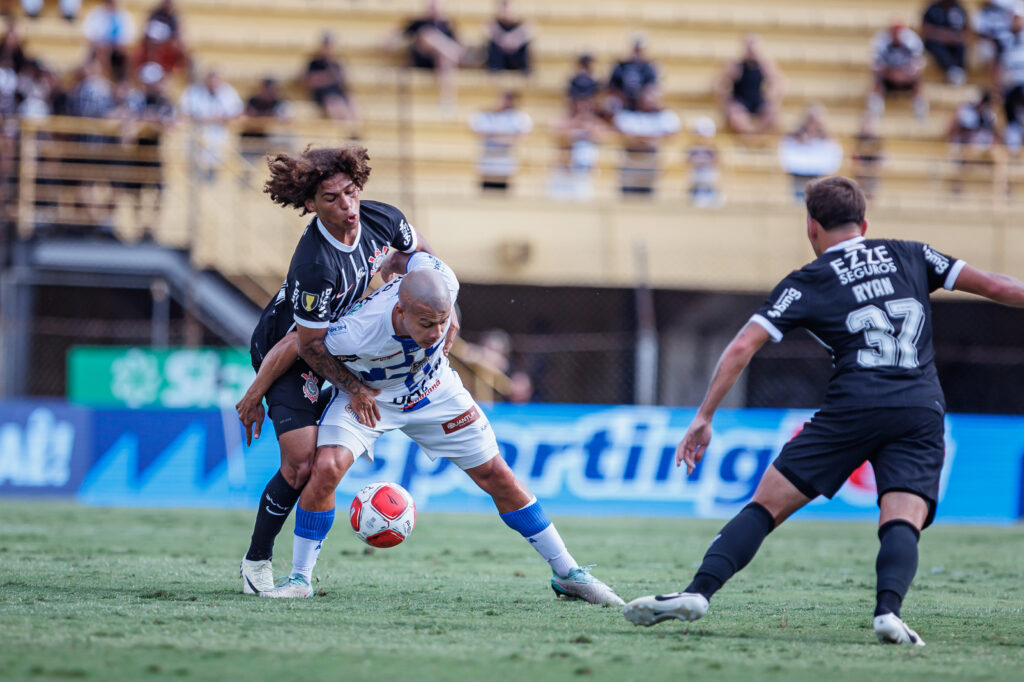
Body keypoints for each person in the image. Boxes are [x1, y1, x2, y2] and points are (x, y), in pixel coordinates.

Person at [622, 176, 1024, 645]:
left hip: (853, 408)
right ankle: (888, 613)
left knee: (765, 507)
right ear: (864, 223)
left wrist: (704, 417)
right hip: (919, 408)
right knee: (901, 519)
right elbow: (997, 285)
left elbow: (741, 347)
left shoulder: (807, 281)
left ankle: (698, 592)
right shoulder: (911, 254)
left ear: (811, 227)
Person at [258, 251, 624, 606]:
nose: (436, 333)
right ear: (400, 312)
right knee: (326, 468)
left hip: (434, 391)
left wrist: (402, 268)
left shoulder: (444, 279)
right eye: (426, 324)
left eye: (442, 321)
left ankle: (568, 573)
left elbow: (413, 248)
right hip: (369, 397)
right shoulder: (356, 331)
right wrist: (264, 395)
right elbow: (300, 344)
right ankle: (300, 580)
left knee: (498, 475)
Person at [236, 145, 445, 595]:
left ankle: (299, 568)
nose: (347, 206)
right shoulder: (314, 264)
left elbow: (422, 256)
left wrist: (433, 296)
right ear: (311, 204)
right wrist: (257, 395)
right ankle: (257, 560)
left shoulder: (383, 219)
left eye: (351, 192)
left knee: (319, 464)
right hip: (287, 354)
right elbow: (303, 345)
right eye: (331, 198)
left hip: (337, 346)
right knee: (299, 464)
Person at [387, 0, 463, 111]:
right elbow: (390, 41)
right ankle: (446, 50)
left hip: (440, 63)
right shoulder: (418, 23)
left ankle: (446, 97)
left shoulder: (447, 25)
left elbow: (459, 45)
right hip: (422, 58)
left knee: (445, 59)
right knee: (428, 35)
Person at [177, 68, 243, 183]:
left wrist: (215, 119)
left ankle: (212, 182)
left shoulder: (228, 92)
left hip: (219, 133)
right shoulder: (193, 91)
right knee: (194, 160)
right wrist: (207, 119)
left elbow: (237, 112)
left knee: (216, 161)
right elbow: (184, 112)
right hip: (197, 131)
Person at [612, 84, 679, 195]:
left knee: (650, 195)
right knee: (628, 196)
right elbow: (625, 135)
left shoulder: (667, 116)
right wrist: (653, 138)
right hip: (631, 160)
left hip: (652, 160)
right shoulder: (627, 115)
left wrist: (640, 138)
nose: (650, 101)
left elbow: (671, 136)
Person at [716, 34, 782, 138]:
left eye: (754, 50)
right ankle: (750, 138)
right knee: (735, 117)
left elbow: (779, 83)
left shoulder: (765, 66)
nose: (752, 53)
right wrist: (726, 102)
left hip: (758, 100)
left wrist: (772, 100)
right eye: (750, 50)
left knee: (774, 116)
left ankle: (757, 138)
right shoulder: (736, 66)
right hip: (740, 101)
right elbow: (719, 85)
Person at [468, 89, 532, 191]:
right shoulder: (485, 115)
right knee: (486, 188)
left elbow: (522, 137)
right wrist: (506, 136)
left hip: (506, 159)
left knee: (503, 188)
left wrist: (494, 136)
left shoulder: (519, 117)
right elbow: (477, 132)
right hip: (487, 158)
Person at [777, 104, 843, 201]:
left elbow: (833, 159)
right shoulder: (793, 138)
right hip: (798, 177)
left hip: (818, 176)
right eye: (811, 121)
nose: (813, 126)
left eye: (816, 123)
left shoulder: (828, 141)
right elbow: (785, 157)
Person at [947, 91, 1006, 196]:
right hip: (967, 145)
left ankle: (1000, 190)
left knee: (999, 155)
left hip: (985, 146)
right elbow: (954, 131)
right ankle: (958, 184)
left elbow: (996, 134)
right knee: (972, 151)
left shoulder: (990, 115)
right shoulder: (965, 111)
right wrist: (955, 146)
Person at [869, 19, 928, 119]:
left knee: (918, 79)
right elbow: (875, 65)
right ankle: (874, 110)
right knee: (877, 79)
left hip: (906, 76)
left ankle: (920, 110)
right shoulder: (881, 41)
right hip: (888, 76)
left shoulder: (913, 41)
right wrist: (891, 73)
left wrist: (904, 74)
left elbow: (919, 64)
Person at [304, 32, 358, 127]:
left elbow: (344, 82)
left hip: (338, 93)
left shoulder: (336, 63)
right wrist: (326, 77)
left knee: (352, 103)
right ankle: (344, 128)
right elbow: (307, 81)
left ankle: (354, 127)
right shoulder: (314, 63)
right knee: (335, 103)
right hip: (324, 94)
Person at [81, 0, 136, 82]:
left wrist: (117, 45)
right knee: (103, 52)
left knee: (128, 55)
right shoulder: (96, 13)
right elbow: (90, 35)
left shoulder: (124, 15)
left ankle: (123, 81)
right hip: (101, 48)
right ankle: (104, 78)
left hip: (117, 49)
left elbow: (129, 37)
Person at [995, 8, 1024, 151]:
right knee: (1011, 114)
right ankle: (1013, 144)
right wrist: (998, 86)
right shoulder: (1004, 39)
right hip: (1011, 84)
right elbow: (998, 64)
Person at [607, 35, 658, 112]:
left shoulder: (649, 67)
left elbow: (651, 87)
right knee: (611, 101)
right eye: (635, 50)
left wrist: (641, 98)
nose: (637, 53)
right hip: (623, 100)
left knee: (650, 98)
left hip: (642, 101)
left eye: (639, 50)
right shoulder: (621, 66)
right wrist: (622, 96)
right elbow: (613, 86)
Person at [921, 1, 968, 84]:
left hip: (954, 41)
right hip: (935, 40)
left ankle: (959, 71)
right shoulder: (933, 9)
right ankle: (951, 71)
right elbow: (925, 29)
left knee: (961, 46)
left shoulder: (958, 8)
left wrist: (955, 37)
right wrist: (943, 35)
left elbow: (966, 29)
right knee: (937, 48)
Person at [484, 0, 532, 73]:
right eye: (503, 9)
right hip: (500, 58)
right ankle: (494, 68)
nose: (506, 12)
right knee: (492, 45)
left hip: (515, 57)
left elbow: (532, 32)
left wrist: (515, 39)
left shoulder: (521, 24)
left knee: (524, 44)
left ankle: (524, 70)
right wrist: (502, 39)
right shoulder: (493, 23)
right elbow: (485, 31)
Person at [687, 116, 721, 207]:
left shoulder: (713, 149)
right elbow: (688, 162)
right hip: (697, 183)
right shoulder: (692, 149)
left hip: (709, 182)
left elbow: (717, 162)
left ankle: (710, 194)